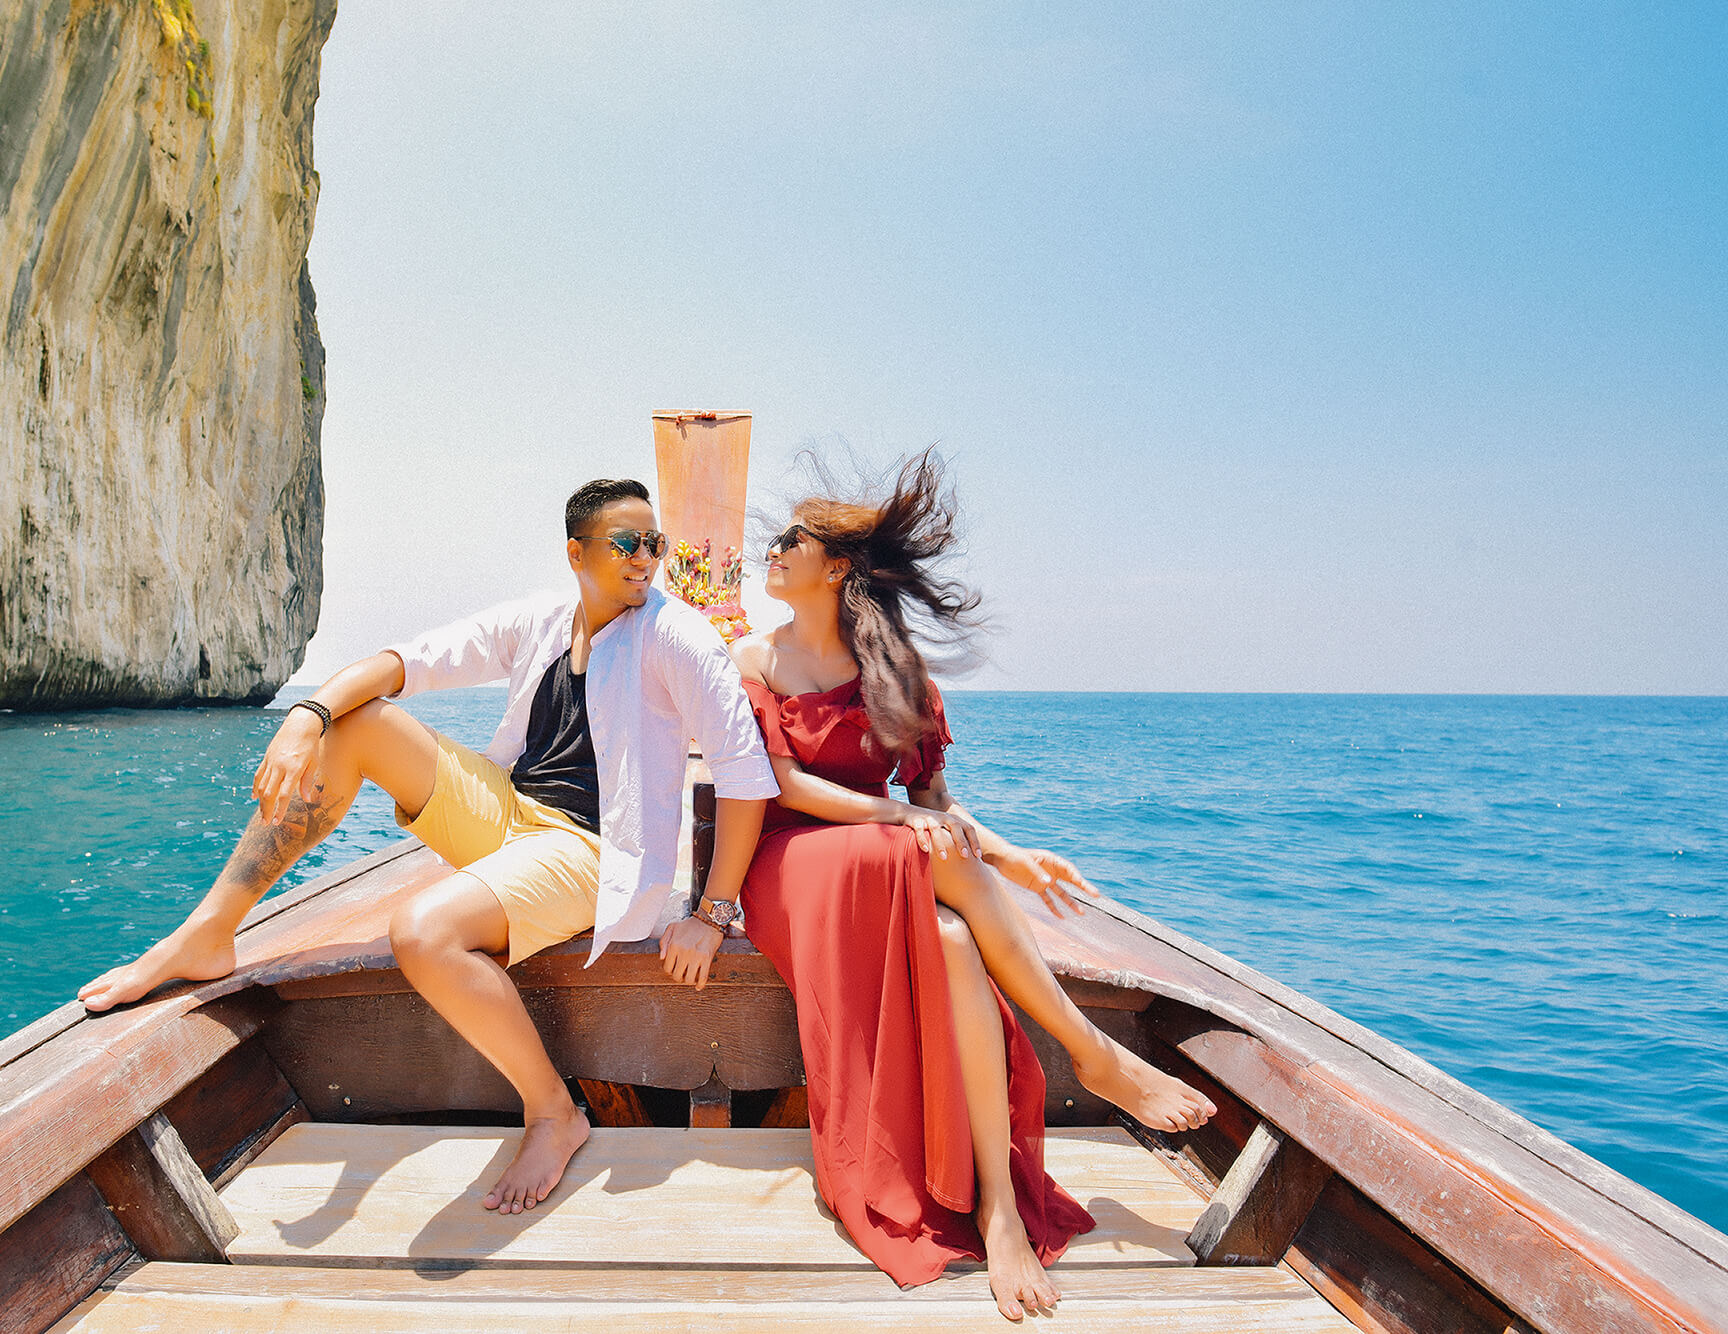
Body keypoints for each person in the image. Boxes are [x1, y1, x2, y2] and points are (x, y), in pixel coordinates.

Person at [77, 478, 778, 1214]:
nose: (647, 559)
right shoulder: (543, 620)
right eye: (626, 543)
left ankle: (553, 1113)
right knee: (359, 723)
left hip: (594, 852)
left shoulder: (676, 635)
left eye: (655, 544)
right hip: (511, 812)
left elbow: (744, 776)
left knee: (421, 930)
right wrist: (308, 714)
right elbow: (409, 660)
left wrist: (713, 912)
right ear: (577, 553)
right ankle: (209, 933)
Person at [698, 452, 1217, 1322]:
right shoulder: (752, 654)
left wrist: (1014, 858)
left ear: (838, 569)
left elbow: (934, 800)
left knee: (950, 943)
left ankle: (1001, 1211)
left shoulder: (896, 670)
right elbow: (782, 787)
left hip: (891, 859)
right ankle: (1091, 1054)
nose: (774, 548)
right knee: (913, 852)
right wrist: (896, 821)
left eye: (794, 539)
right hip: (790, 867)